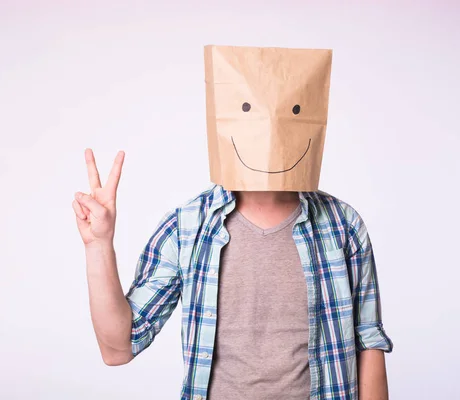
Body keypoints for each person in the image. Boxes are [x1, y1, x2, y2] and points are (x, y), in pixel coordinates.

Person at [72, 45, 394, 400]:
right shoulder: (187, 228)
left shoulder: (342, 226)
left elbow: (369, 341)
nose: (270, 128)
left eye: (293, 112)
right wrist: (98, 245)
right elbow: (118, 348)